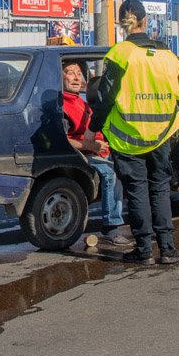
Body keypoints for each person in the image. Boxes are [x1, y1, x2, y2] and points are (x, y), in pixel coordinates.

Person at [91, 0, 179, 266]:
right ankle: (168, 249)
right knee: (159, 190)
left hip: (127, 137)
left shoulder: (121, 53)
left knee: (137, 191)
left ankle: (144, 249)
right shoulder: (167, 56)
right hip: (161, 134)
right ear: (146, 21)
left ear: (121, 24)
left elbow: (105, 96)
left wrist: (93, 129)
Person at [60, 59, 130, 247]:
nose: (76, 77)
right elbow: (64, 139)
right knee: (111, 175)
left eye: (78, 73)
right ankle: (111, 227)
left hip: (101, 149)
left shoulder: (80, 101)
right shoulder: (62, 106)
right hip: (84, 155)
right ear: (59, 77)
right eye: (69, 72)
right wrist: (91, 147)